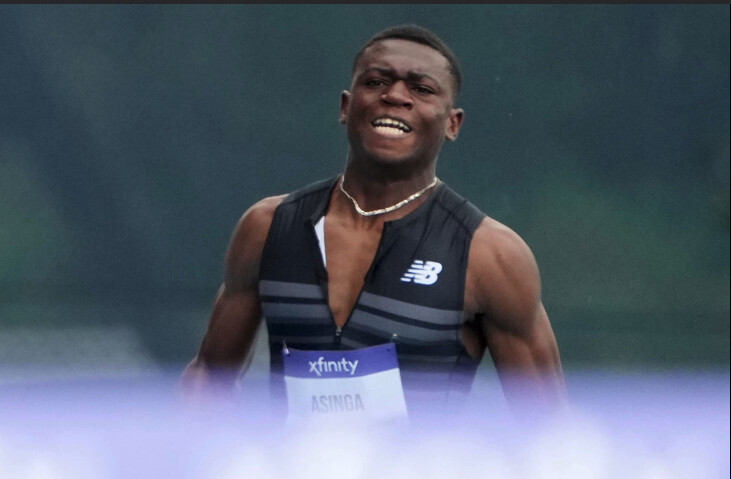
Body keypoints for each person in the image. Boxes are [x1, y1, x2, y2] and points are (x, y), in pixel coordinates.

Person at [180, 24, 566, 419]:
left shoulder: (489, 255)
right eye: (376, 81)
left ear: (453, 124)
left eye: (421, 89)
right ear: (345, 107)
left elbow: (547, 426)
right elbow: (209, 378)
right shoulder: (267, 228)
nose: (395, 96)